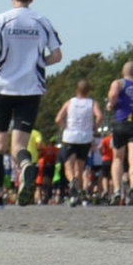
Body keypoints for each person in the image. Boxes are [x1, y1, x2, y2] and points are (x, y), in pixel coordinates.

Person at [0, 0, 62, 209]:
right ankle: (25, 166)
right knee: (19, 146)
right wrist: (39, 62)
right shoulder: (42, 21)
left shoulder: (1, 20)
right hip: (31, 87)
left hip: (3, 86)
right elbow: (57, 55)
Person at [55, 78, 98, 206]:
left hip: (70, 137)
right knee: (80, 167)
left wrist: (65, 127)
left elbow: (58, 118)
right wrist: (94, 127)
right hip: (85, 137)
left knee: (69, 166)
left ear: (76, 90)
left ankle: (72, 182)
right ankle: (77, 193)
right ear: (88, 91)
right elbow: (100, 116)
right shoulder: (92, 103)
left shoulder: (69, 103)